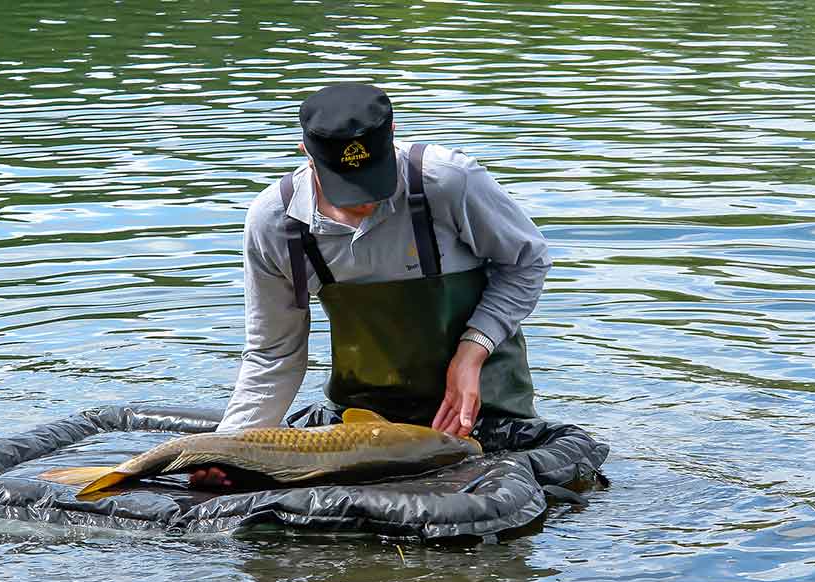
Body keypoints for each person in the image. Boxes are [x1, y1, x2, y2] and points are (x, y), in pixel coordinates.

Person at [192, 83, 551, 487]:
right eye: (346, 184)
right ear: (306, 153)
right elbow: (274, 355)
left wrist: (472, 352)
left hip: (481, 409)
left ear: (393, 132)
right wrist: (227, 451)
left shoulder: (449, 181)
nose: (364, 202)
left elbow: (526, 262)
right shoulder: (276, 224)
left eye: (373, 179)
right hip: (364, 421)